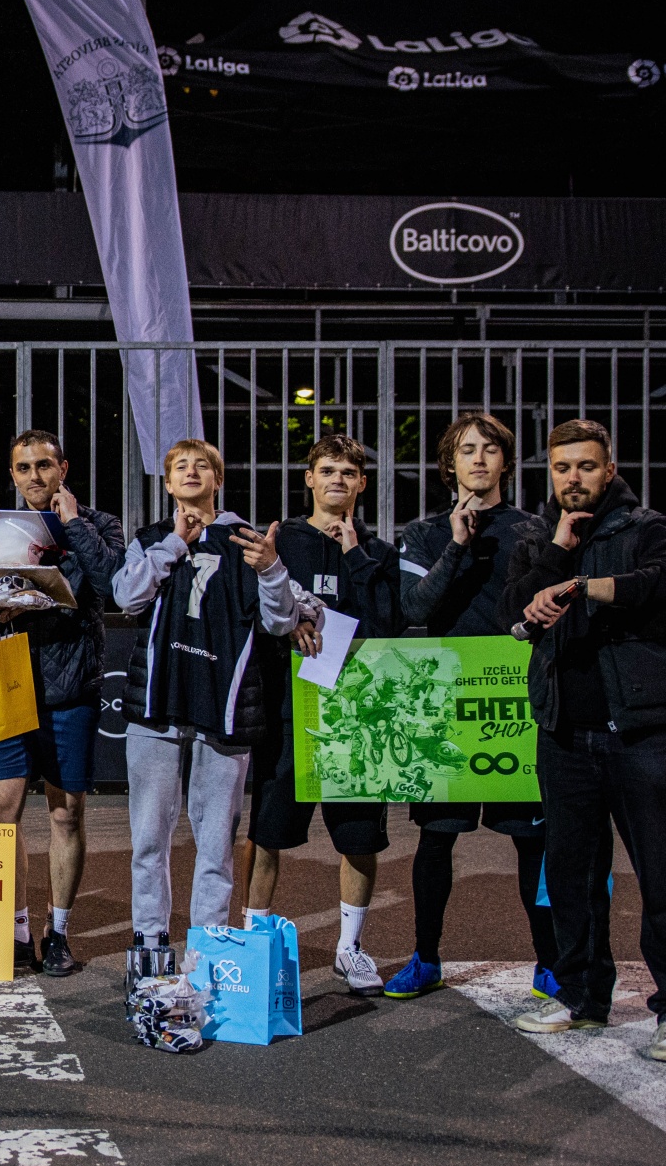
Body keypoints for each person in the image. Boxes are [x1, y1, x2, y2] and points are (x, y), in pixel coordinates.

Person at [501, 418, 666, 1059]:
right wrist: (558, 555)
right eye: (562, 467)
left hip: (642, 733)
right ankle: (581, 998)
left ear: (610, 469)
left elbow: (657, 586)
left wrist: (583, 586)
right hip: (565, 734)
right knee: (572, 878)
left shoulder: (646, 528)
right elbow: (512, 610)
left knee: (660, 877)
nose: (574, 478)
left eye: (587, 466)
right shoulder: (538, 538)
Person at [386, 412, 553, 1001]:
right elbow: (415, 607)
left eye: (489, 449)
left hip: (515, 709)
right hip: (446, 709)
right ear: (449, 464)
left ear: (505, 461)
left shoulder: (534, 529)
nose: (478, 459)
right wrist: (458, 544)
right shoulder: (424, 533)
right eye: (466, 450)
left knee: (533, 842)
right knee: (436, 840)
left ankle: (550, 962)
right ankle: (425, 957)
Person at [113, 439, 296, 960]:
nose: (191, 472)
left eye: (202, 465)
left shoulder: (249, 543)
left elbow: (280, 621)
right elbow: (126, 596)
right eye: (180, 466)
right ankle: (150, 945)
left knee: (216, 845)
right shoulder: (151, 539)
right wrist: (175, 542)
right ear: (168, 482)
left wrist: (271, 570)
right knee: (149, 839)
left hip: (224, 707)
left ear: (218, 479)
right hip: (157, 706)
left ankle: (207, 950)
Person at [244, 434, 402, 996]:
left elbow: (389, 624)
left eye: (349, 472)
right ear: (309, 478)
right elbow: (257, 612)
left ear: (362, 483)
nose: (338, 479)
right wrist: (292, 623)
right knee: (268, 834)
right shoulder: (280, 540)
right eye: (328, 470)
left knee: (359, 838)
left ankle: (349, 948)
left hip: (358, 715)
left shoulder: (379, 551)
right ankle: (254, 944)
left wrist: (357, 554)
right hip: (291, 711)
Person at [0, 429, 123, 977]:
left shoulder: (99, 525)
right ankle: (15, 928)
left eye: (44, 465)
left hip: (71, 690)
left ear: (63, 469)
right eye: (24, 467)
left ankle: (58, 932)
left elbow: (114, 586)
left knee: (66, 813)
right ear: (12, 475)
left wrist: (74, 524)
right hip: (9, 680)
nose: (35, 476)